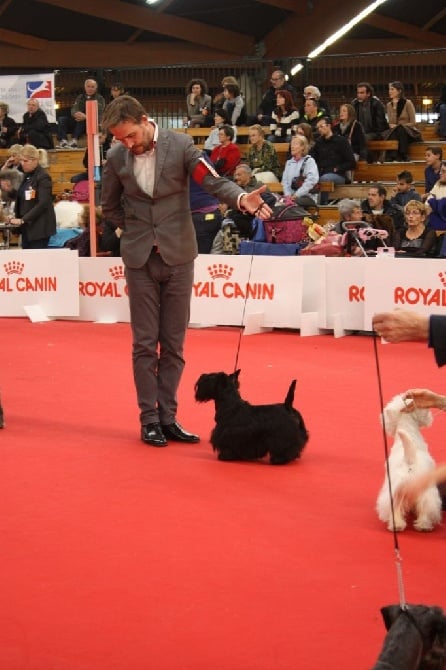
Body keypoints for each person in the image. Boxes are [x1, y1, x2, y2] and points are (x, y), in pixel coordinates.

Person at [100, 95, 271, 448]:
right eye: (120, 139)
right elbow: (110, 206)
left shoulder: (180, 145)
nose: (126, 144)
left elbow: (212, 182)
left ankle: (168, 417)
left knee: (174, 346)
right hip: (140, 260)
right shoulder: (116, 157)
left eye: (130, 135)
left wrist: (240, 199)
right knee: (144, 345)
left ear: (145, 119)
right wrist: (136, 231)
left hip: (179, 257)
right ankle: (149, 419)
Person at [8, 144, 56, 248]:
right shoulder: (26, 176)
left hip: (39, 229)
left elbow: (43, 203)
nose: (22, 163)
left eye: (25, 161)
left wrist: (23, 219)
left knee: (37, 261)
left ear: (35, 160)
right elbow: (20, 197)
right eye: (21, 160)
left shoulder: (43, 177)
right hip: (27, 227)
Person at [310, 116, 356, 203]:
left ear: (329, 126)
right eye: (318, 127)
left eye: (321, 126)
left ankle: (322, 206)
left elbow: (351, 162)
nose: (319, 129)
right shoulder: (318, 143)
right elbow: (312, 159)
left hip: (338, 175)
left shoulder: (341, 141)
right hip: (321, 173)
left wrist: (337, 168)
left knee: (325, 179)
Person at [57, 78, 106, 148]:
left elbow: (99, 113)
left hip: (90, 123)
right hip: (77, 120)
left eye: (92, 87)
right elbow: (74, 108)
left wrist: (86, 116)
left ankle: (74, 140)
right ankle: (63, 140)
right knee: (62, 119)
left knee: (82, 120)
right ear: (85, 87)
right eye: (88, 87)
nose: (90, 89)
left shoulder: (100, 99)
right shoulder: (80, 97)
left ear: (96, 88)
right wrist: (76, 114)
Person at [382, 81, 421, 161]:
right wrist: (395, 107)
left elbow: (413, 122)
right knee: (396, 130)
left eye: (392, 89)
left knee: (400, 128)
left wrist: (401, 126)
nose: (390, 91)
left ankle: (400, 154)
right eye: (389, 89)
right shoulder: (389, 105)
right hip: (396, 132)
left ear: (399, 91)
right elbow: (392, 122)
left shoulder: (408, 103)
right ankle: (397, 155)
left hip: (409, 132)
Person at [351, 82, 389, 162]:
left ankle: (368, 161)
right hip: (361, 132)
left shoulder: (376, 104)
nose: (359, 95)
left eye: (362, 93)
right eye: (358, 93)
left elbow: (381, 123)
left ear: (368, 94)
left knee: (363, 138)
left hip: (375, 132)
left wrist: (378, 134)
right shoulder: (355, 104)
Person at [281, 135, 319, 206]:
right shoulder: (289, 163)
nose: (292, 146)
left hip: (307, 197)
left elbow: (311, 181)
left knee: (292, 204)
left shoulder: (309, 161)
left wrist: (296, 195)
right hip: (291, 197)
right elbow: (284, 182)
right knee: (277, 203)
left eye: (295, 144)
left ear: (303, 147)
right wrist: (288, 195)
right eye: (291, 144)